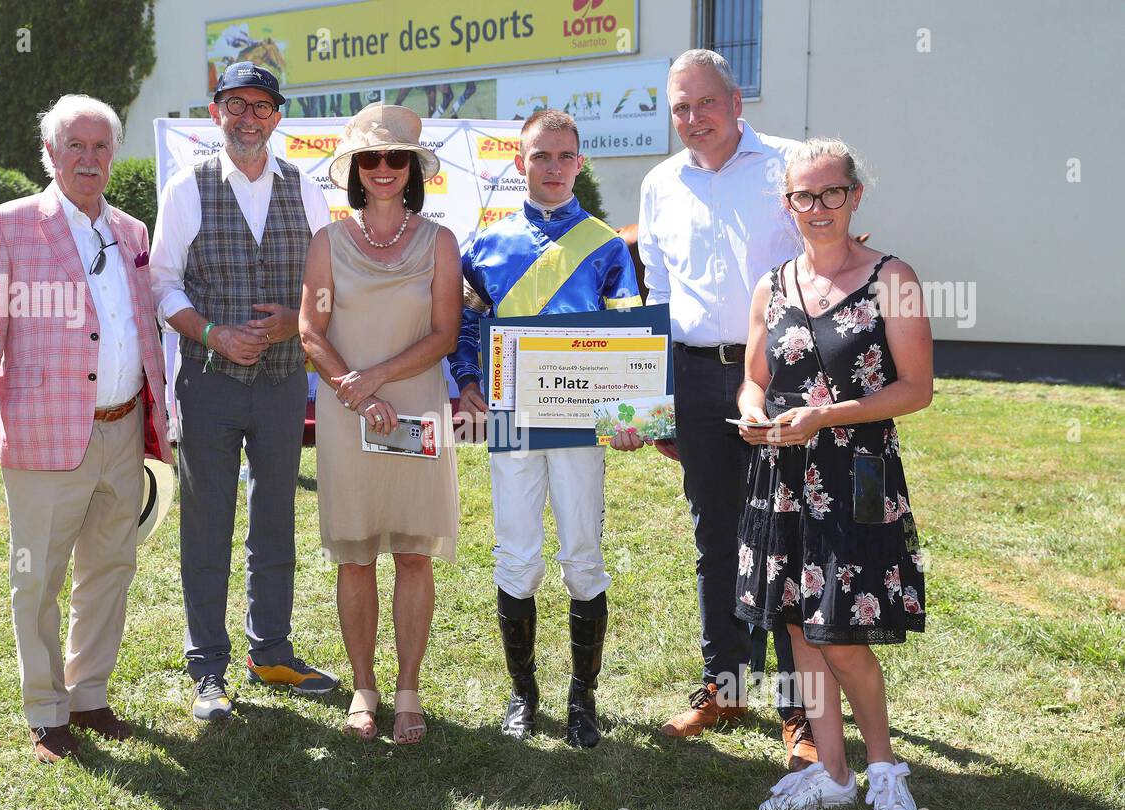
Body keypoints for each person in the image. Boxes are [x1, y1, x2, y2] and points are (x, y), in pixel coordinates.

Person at [0, 94, 173, 763]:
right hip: (45, 434)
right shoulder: (8, 225)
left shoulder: (133, 232)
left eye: (101, 146)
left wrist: (160, 414)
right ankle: (46, 711)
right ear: (49, 153)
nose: (89, 158)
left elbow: (143, 329)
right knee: (37, 576)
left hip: (123, 429)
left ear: (114, 156)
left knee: (111, 567)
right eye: (74, 145)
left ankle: (89, 695)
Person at [618, 49, 815, 768]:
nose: (693, 119)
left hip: (783, 377)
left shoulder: (792, 166)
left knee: (790, 543)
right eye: (679, 108)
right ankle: (726, 688)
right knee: (717, 541)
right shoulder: (658, 183)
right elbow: (658, 299)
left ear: (736, 101)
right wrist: (651, 408)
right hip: (697, 380)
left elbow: (824, 273)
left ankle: (801, 714)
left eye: (704, 103)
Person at [737, 138, 931, 810]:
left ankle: (883, 769)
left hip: (859, 477)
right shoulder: (772, 284)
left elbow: (916, 390)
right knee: (797, 625)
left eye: (831, 193)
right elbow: (756, 376)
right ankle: (833, 771)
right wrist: (755, 411)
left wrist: (828, 415)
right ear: (786, 203)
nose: (817, 208)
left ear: (855, 195)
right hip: (782, 475)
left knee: (843, 632)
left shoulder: (892, 277)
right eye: (802, 196)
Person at [150, 62, 338, 722]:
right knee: (207, 523)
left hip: (286, 381)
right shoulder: (186, 187)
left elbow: (326, 285)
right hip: (210, 381)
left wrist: (297, 320)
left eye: (261, 105)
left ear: (277, 117)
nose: (249, 116)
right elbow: (162, 285)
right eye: (236, 104)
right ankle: (208, 669)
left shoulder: (305, 189)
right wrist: (210, 334)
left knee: (275, 514)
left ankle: (272, 651)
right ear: (215, 114)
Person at [449, 109, 642, 748]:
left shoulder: (608, 246)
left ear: (579, 163)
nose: (553, 168)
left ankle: (582, 698)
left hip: (583, 427)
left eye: (565, 156)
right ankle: (523, 693)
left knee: (583, 555)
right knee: (516, 554)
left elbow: (628, 340)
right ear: (520, 163)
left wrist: (630, 415)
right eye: (541, 156)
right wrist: (469, 383)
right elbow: (467, 328)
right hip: (509, 417)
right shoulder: (487, 243)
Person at [299, 104, 462, 744]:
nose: (385, 169)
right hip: (347, 414)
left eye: (397, 158)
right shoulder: (327, 244)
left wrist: (378, 379)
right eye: (372, 158)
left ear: (414, 167)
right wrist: (356, 390)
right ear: (355, 170)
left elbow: (446, 334)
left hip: (417, 409)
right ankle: (363, 688)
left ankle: (408, 692)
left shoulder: (439, 242)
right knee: (356, 555)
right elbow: (311, 329)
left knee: (414, 554)